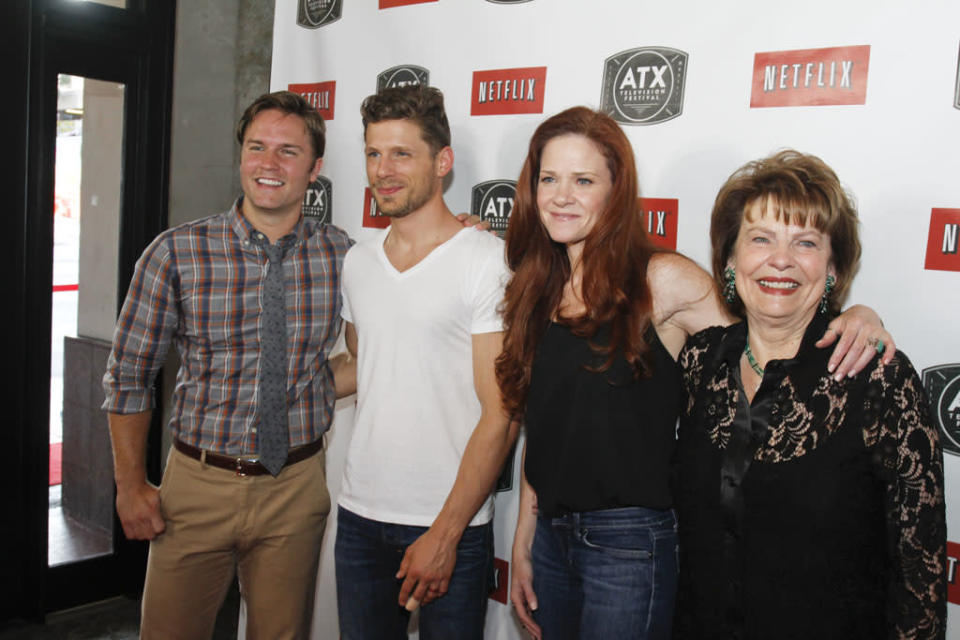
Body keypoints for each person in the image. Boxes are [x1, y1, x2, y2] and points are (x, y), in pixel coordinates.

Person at [497, 108, 894, 640]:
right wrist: (524, 539)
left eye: (583, 180)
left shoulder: (659, 279)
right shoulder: (536, 284)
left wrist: (856, 316)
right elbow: (541, 425)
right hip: (550, 538)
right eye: (549, 179)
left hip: (628, 545)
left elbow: (770, 328)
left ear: (616, 192)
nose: (561, 195)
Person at [672, 150, 946, 639]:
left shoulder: (879, 379)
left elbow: (919, 580)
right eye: (760, 239)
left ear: (833, 269)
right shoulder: (700, 360)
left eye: (805, 242)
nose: (781, 259)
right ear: (731, 259)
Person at [334, 85, 517, 640]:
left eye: (401, 154)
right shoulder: (358, 262)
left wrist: (446, 532)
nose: (382, 170)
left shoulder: (486, 262)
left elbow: (501, 415)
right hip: (359, 515)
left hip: (448, 525)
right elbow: (366, 363)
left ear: (443, 162)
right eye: (372, 153)